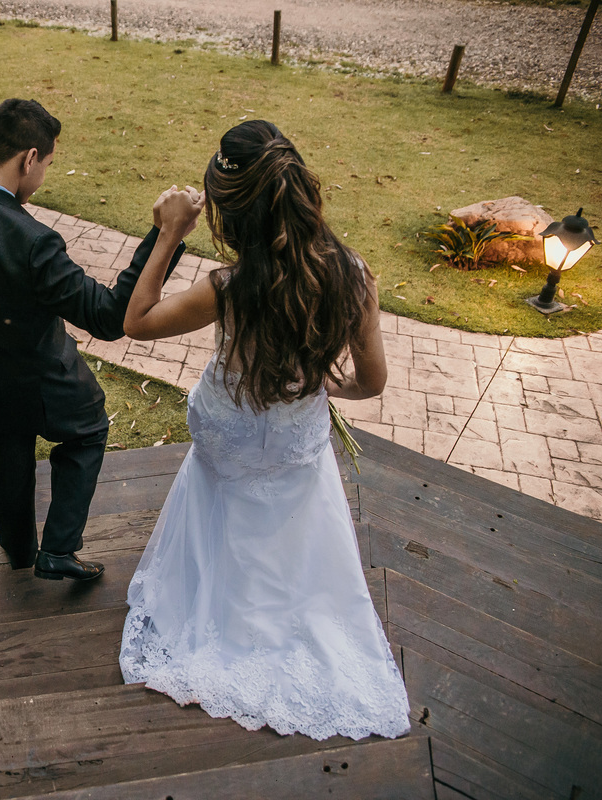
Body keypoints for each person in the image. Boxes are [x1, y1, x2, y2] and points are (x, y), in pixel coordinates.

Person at [117, 120, 411, 740]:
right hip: (292, 439)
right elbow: (373, 381)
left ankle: (215, 611)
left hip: (227, 436)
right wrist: (329, 391)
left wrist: (170, 230)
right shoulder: (353, 277)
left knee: (225, 506)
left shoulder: (227, 288)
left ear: (234, 215)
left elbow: (136, 322)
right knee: (288, 520)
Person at [0, 98, 187, 581]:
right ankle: (57, 549)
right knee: (88, 431)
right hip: (45, 385)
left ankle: (18, 553)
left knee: (3, 463)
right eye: (47, 165)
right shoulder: (32, 239)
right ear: (29, 158)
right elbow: (109, 317)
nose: (44, 175)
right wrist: (164, 235)